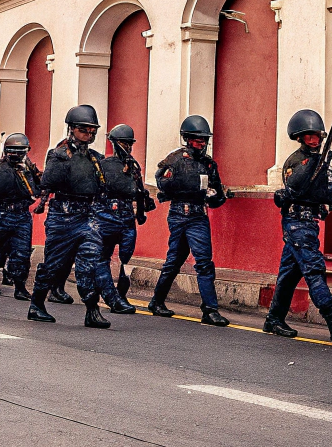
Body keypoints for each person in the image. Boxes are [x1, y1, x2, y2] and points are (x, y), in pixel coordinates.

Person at [265, 110, 332, 345]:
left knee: (289, 274)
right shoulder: (296, 162)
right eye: (309, 137)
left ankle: (274, 319)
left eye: (317, 136)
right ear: (300, 138)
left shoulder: (323, 164)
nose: (315, 140)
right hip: (296, 223)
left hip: (310, 223)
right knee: (314, 270)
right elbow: (294, 188)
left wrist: (321, 172)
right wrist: (313, 167)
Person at [32, 105, 113, 328]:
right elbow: (48, 182)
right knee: (53, 264)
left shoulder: (95, 158)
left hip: (88, 216)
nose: (88, 134)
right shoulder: (59, 155)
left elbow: (102, 186)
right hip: (63, 217)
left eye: (92, 130)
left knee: (92, 262)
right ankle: (37, 304)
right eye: (83, 130)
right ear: (72, 129)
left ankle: (92, 309)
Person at [150, 116, 231, 326]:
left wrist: (215, 196)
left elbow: (218, 195)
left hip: (198, 216)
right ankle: (157, 301)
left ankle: (209, 310)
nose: (202, 144)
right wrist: (181, 186)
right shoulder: (174, 160)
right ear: (187, 139)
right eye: (197, 140)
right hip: (178, 213)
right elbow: (161, 182)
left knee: (204, 263)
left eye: (204, 140)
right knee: (174, 261)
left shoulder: (209, 164)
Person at [94, 124, 152, 313]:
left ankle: (120, 293)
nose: (127, 147)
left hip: (127, 217)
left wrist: (141, 212)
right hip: (106, 214)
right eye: (123, 143)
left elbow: (140, 191)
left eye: (129, 143)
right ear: (114, 143)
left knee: (126, 257)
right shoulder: (103, 165)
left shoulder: (134, 166)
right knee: (103, 256)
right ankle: (109, 296)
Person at [0, 134, 39, 299]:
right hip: (1, 214)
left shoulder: (26, 168)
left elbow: (38, 187)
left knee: (22, 252)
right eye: (14, 152)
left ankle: (20, 286)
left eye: (21, 152)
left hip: (21, 215)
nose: (18, 155)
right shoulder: (1, 169)